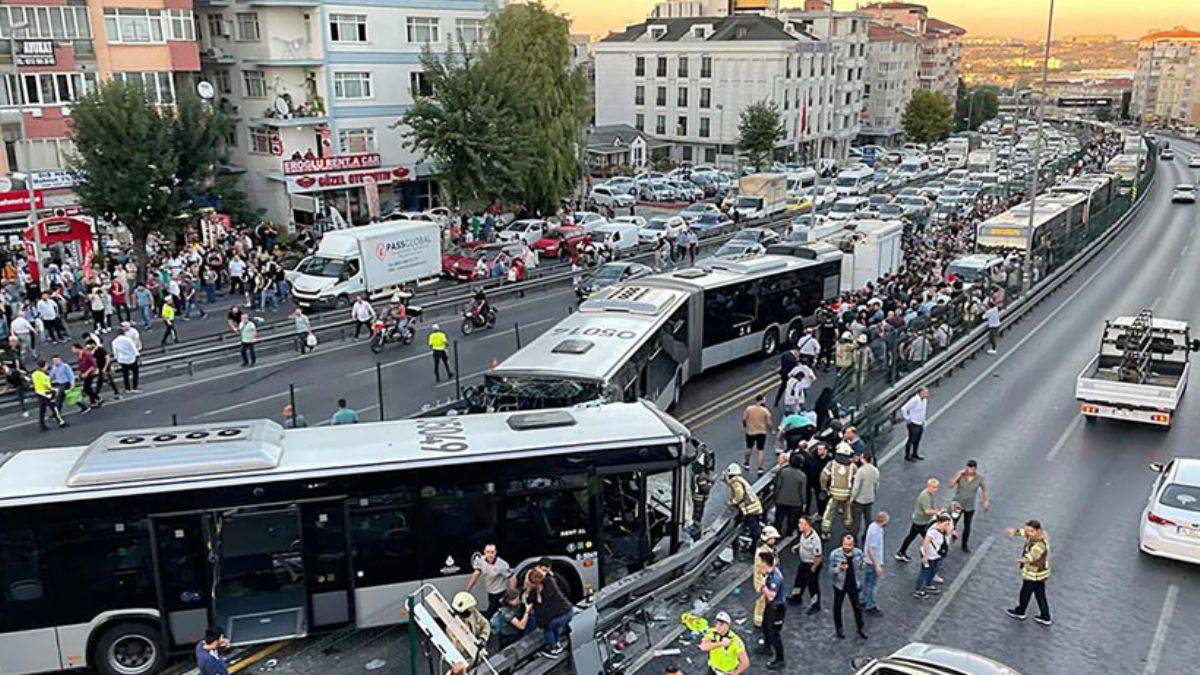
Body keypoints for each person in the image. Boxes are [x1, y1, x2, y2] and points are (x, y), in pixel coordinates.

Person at [1005, 520, 1052, 625]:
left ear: (1037, 531)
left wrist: (1024, 559)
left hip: (1034, 573)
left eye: (1031, 531)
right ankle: (1045, 616)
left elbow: (1034, 555)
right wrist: (1015, 532)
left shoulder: (1040, 544)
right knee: (1040, 594)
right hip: (1040, 574)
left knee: (1025, 593)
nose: (1028, 533)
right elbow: (1024, 532)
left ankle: (1020, 611)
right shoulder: (1035, 535)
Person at [524, 567, 573, 658]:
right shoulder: (550, 581)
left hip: (558, 616)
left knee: (548, 628)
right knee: (555, 625)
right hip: (568, 611)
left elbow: (530, 602)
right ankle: (557, 642)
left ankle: (553, 649)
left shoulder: (534, 594)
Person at [829, 534, 868, 640]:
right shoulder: (835, 554)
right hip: (839, 584)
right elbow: (831, 571)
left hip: (854, 584)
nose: (847, 547)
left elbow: (864, 566)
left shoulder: (859, 553)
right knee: (837, 607)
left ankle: (860, 627)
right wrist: (839, 568)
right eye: (845, 544)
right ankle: (839, 628)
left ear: (853, 545)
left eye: (849, 545)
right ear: (842, 543)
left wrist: (862, 564)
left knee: (857, 607)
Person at [950, 460, 990, 552]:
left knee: (967, 526)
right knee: (952, 523)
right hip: (957, 504)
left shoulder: (979, 478)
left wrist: (985, 501)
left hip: (969, 506)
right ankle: (947, 540)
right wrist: (958, 475)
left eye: (972, 468)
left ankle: (964, 544)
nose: (969, 470)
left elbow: (984, 489)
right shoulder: (961, 476)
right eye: (968, 467)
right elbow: (951, 485)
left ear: (975, 469)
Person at [896, 479, 940, 562]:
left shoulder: (929, 494)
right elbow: (927, 511)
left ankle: (901, 552)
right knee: (929, 539)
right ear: (928, 486)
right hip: (921, 522)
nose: (936, 489)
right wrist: (937, 512)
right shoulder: (925, 496)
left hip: (919, 520)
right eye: (934, 487)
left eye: (937, 487)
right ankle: (930, 556)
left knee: (911, 536)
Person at [466, 543, 515, 618]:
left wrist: (512, 592)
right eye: (488, 552)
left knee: (493, 612)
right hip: (490, 591)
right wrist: (468, 589)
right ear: (484, 552)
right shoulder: (481, 561)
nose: (490, 555)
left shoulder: (502, 565)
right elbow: (476, 574)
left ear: (495, 553)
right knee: (493, 609)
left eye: (492, 552)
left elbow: (511, 577)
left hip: (500, 591)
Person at [820, 444, 857, 540]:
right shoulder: (853, 467)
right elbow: (856, 481)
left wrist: (824, 489)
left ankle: (825, 532)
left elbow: (823, 477)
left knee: (829, 513)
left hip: (834, 494)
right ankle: (848, 530)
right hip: (847, 495)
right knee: (848, 512)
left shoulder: (831, 464)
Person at [758, 551, 787, 669]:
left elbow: (771, 595)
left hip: (777, 608)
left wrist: (763, 586)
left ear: (765, 563)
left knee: (775, 634)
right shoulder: (769, 573)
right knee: (765, 626)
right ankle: (767, 647)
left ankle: (780, 659)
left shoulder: (775, 577)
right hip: (770, 606)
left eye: (761, 562)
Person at [913, 514, 953, 599]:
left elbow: (950, 533)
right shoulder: (932, 532)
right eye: (946, 524)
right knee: (924, 572)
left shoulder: (943, 531)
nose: (947, 526)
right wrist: (925, 556)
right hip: (929, 555)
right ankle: (918, 590)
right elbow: (925, 543)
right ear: (940, 523)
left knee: (934, 570)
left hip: (936, 555)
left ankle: (928, 584)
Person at [788, 516, 822, 614]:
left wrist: (813, 568)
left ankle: (816, 605)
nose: (798, 525)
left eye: (800, 523)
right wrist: (797, 547)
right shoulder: (804, 534)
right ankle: (796, 597)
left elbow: (819, 556)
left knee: (812, 585)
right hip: (804, 562)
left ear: (806, 525)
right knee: (799, 581)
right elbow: (802, 542)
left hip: (812, 564)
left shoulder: (815, 539)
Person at [724, 463, 763, 546]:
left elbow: (739, 495)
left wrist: (733, 502)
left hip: (750, 509)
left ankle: (756, 545)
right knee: (755, 525)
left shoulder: (736, 482)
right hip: (754, 507)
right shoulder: (739, 479)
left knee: (754, 527)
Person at [752, 526, 780, 630]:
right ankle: (758, 622)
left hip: (765, 580)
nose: (774, 540)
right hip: (763, 581)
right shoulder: (764, 552)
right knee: (762, 602)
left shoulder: (766, 549)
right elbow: (769, 567)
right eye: (773, 538)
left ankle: (760, 620)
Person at [773, 451, 807, 535]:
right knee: (791, 519)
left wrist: (776, 497)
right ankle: (789, 532)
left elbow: (778, 485)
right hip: (795, 502)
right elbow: (802, 491)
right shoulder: (802, 476)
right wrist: (804, 502)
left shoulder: (783, 472)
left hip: (781, 499)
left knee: (779, 518)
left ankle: (777, 531)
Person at [862, 512, 889, 615]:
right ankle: (870, 605)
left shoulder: (872, 526)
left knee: (866, 582)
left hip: (867, 561)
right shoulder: (875, 532)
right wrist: (877, 565)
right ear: (883, 521)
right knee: (872, 585)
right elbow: (871, 549)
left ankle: (863, 600)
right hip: (872, 562)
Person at [450, 591, 491, 658]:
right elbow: (461, 648)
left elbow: (485, 624)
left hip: (479, 653)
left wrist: (482, 638)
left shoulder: (473, 612)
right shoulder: (452, 626)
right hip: (465, 658)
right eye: (470, 608)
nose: (472, 609)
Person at [851, 453, 880, 542]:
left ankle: (855, 536)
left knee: (857, 520)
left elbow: (856, 487)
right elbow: (876, 485)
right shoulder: (875, 470)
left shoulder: (861, 471)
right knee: (868, 518)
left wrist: (852, 497)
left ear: (863, 459)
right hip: (870, 498)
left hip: (859, 499)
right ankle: (866, 535)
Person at [741, 396, 772, 477]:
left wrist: (745, 425)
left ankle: (747, 463)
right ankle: (760, 468)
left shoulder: (749, 409)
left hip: (750, 431)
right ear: (762, 401)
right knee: (760, 450)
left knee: (749, 447)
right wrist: (771, 430)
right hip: (761, 432)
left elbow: (744, 419)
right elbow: (769, 423)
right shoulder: (765, 411)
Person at [32, 360, 67, 431]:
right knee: (54, 407)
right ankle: (61, 422)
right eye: (46, 365)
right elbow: (47, 386)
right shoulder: (45, 376)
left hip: (38, 393)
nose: (47, 366)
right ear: (43, 366)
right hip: (46, 394)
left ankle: (42, 425)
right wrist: (55, 389)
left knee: (42, 409)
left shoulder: (34, 374)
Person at [901, 387, 929, 461]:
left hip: (920, 423)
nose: (927, 394)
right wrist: (907, 418)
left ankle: (915, 453)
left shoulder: (924, 400)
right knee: (911, 439)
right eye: (925, 392)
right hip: (913, 423)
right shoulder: (915, 400)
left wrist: (923, 421)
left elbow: (923, 412)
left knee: (917, 440)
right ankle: (907, 455)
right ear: (921, 392)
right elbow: (904, 408)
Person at [72, 343, 102, 409]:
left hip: (90, 373)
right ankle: (95, 399)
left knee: (86, 388)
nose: (72, 351)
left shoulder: (87, 354)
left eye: (73, 349)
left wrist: (86, 372)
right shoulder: (79, 356)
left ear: (78, 348)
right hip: (84, 374)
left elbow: (93, 364)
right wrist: (79, 373)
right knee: (88, 388)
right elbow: (80, 366)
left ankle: (95, 399)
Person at [112, 326, 141, 393]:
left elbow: (115, 352)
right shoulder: (128, 339)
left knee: (125, 374)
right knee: (135, 373)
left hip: (122, 359)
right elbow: (133, 348)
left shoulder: (114, 341)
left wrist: (117, 358)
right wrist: (137, 355)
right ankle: (134, 387)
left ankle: (127, 388)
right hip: (131, 358)